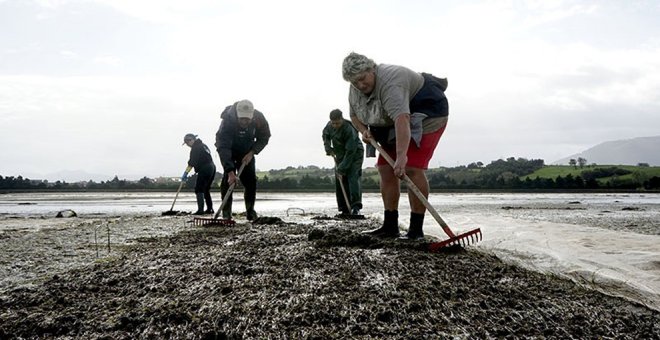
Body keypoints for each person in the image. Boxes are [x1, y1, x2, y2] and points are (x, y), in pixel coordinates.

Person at [342, 52, 449, 240]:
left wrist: (401, 156)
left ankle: (416, 230)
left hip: (428, 112)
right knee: (385, 168)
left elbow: (402, 119)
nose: (360, 85)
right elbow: (354, 116)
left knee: (411, 167)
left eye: (362, 79)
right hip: (391, 121)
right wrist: (363, 131)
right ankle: (390, 226)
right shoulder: (355, 89)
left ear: (372, 69)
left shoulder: (391, 82)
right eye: (354, 82)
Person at [215, 99, 271, 221]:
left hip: (247, 152)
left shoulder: (259, 118)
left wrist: (252, 152)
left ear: (252, 115)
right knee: (227, 182)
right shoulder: (228, 121)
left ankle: (250, 211)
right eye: (242, 119)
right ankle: (226, 214)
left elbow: (264, 137)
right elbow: (223, 147)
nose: (245, 122)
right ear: (237, 115)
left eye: (247, 119)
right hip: (229, 150)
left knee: (251, 181)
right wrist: (230, 172)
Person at [322, 109, 364, 215]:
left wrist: (341, 168)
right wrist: (328, 148)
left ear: (342, 119)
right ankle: (344, 208)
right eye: (333, 123)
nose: (335, 125)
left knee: (352, 176)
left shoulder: (349, 129)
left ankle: (355, 207)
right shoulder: (329, 125)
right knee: (340, 179)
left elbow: (351, 151)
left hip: (355, 154)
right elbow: (325, 135)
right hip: (340, 153)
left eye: (338, 123)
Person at [182, 133, 216, 215]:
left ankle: (200, 210)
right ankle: (210, 209)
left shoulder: (195, 148)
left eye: (187, 143)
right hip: (212, 167)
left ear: (192, 140)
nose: (187, 145)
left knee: (199, 189)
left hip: (205, 168)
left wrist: (186, 173)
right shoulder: (203, 145)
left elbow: (192, 162)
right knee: (206, 189)